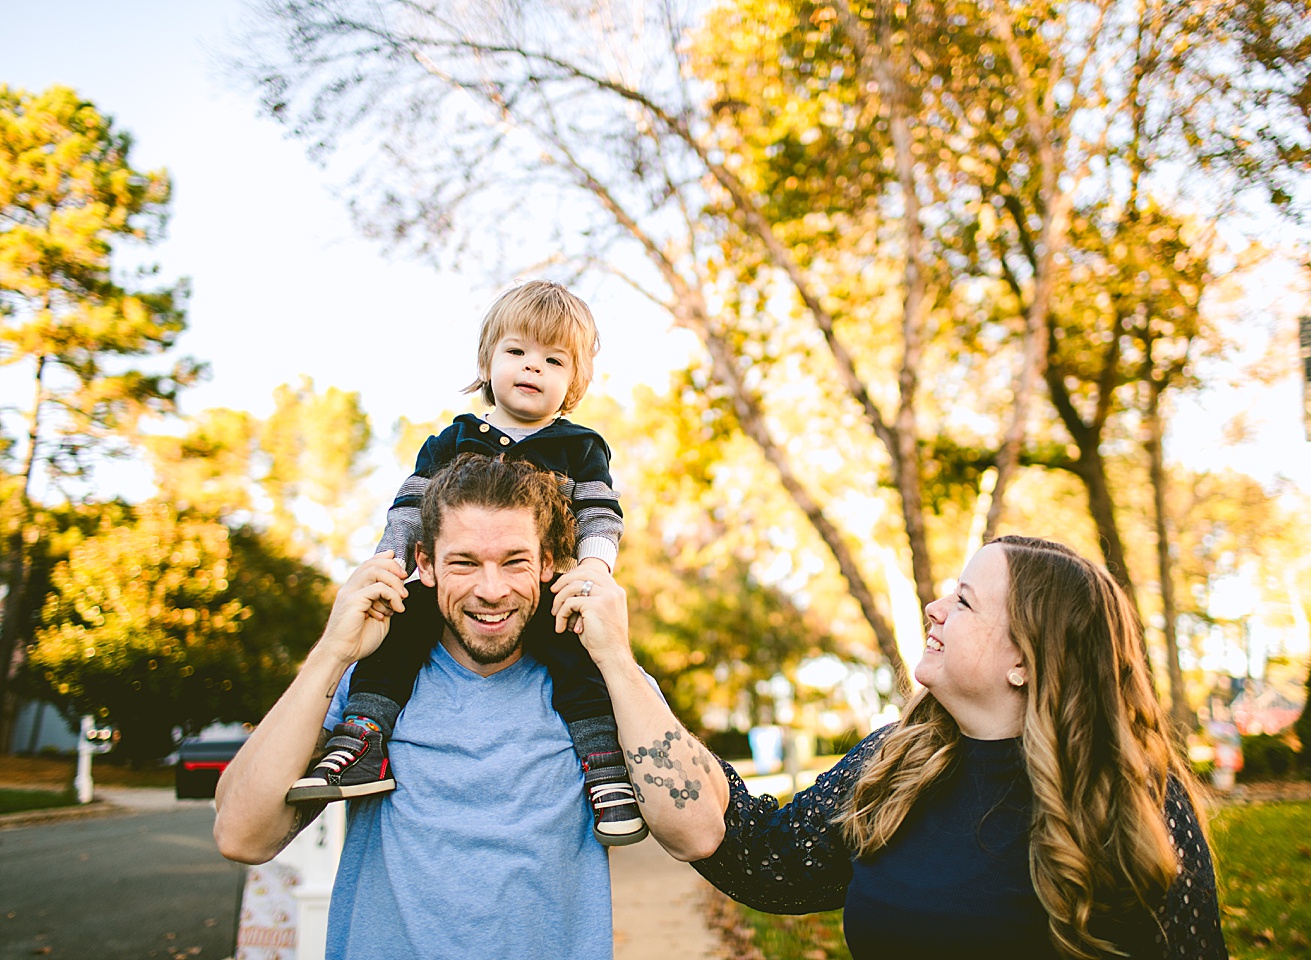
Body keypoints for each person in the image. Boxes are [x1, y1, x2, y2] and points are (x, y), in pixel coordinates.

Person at [213, 454, 727, 960]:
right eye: (463, 562)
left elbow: (698, 833)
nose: (491, 590)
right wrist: (332, 651)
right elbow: (242, 835)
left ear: (548, 564)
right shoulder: (371, 687)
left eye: (514, 561)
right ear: (425, 565)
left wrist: (616, 656)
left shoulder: (603, 685)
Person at [692, 536, 1228, 960]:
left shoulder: (1136, 806)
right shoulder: (896, 762)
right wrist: (625, 677)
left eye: (964, 601)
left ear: (1023, 661)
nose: (934, 607)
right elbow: (765, 858)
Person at [284, 280, 646, 845]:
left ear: (573, 380)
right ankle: (362, 740)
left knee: (579, 660)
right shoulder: (451, 439)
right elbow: (409, 509)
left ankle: (603, 767)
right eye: (517, 352)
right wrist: (388, 562)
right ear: (487, 359)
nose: (533, 368)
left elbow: (602, 518)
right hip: (448, 586)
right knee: (395, 636)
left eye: (553, 360)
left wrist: (595, 570)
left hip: (544, 588)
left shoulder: (579, 447)